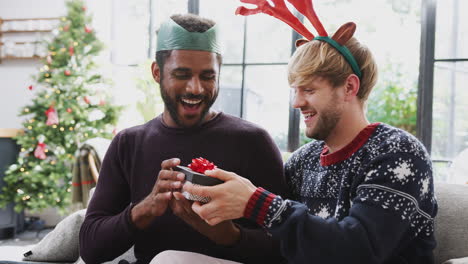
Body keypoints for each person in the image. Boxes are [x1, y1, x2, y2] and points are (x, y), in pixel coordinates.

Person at [172, 1, 438, 263]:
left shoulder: (398, 152)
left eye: (309, 90)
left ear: (349, 87)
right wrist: (219, 215)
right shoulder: (303, 161)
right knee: (170, 259)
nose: (296, 103)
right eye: (295, 91)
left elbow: (359, 250)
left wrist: (257, 202)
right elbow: (277, 244)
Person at [79, 13, 287, 264]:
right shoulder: (128, 144)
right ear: (157, 72)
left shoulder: (252, 142)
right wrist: (144, 210)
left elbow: (286, 248)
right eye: (182, 74)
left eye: (208, 76)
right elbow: (90, 249)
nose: (195, 88)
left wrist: (228, 235)